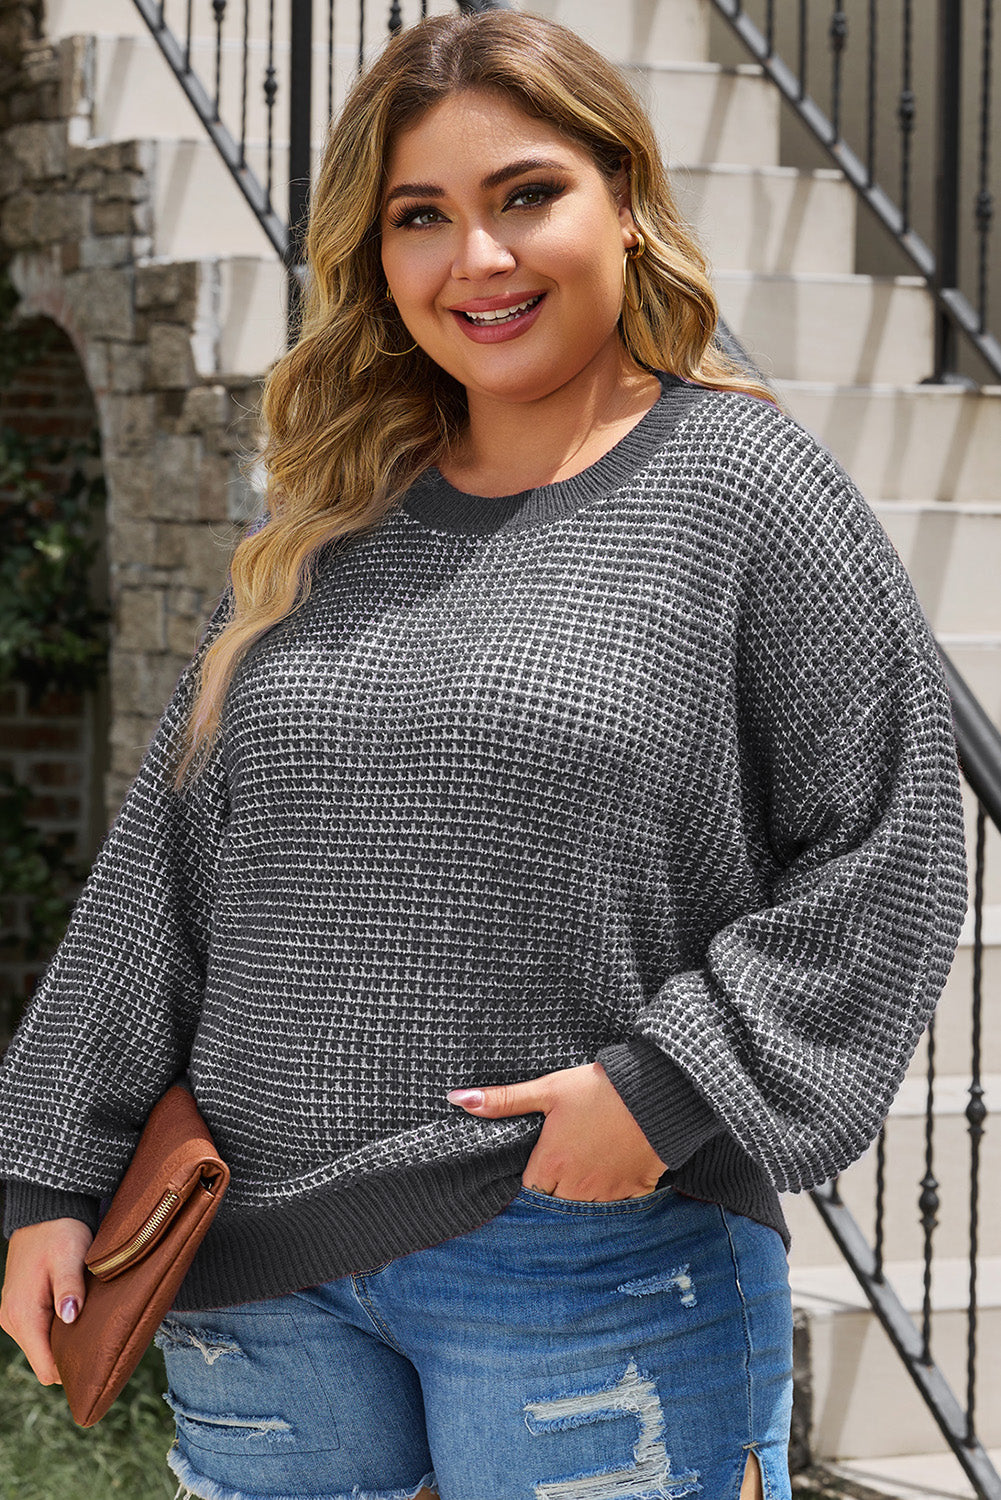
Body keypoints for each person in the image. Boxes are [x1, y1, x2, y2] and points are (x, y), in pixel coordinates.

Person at [0, 11, 968, 1500]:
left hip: (589, 1255)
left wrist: (665, 1089)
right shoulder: (326, 518)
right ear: (376, 257)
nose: (480, 259)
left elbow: (891, 840)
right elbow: (168, 869)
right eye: (420, 217)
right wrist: (54, 1170)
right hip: (259, 1282)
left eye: (527, 194)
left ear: (624, 202)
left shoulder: (744, 487)